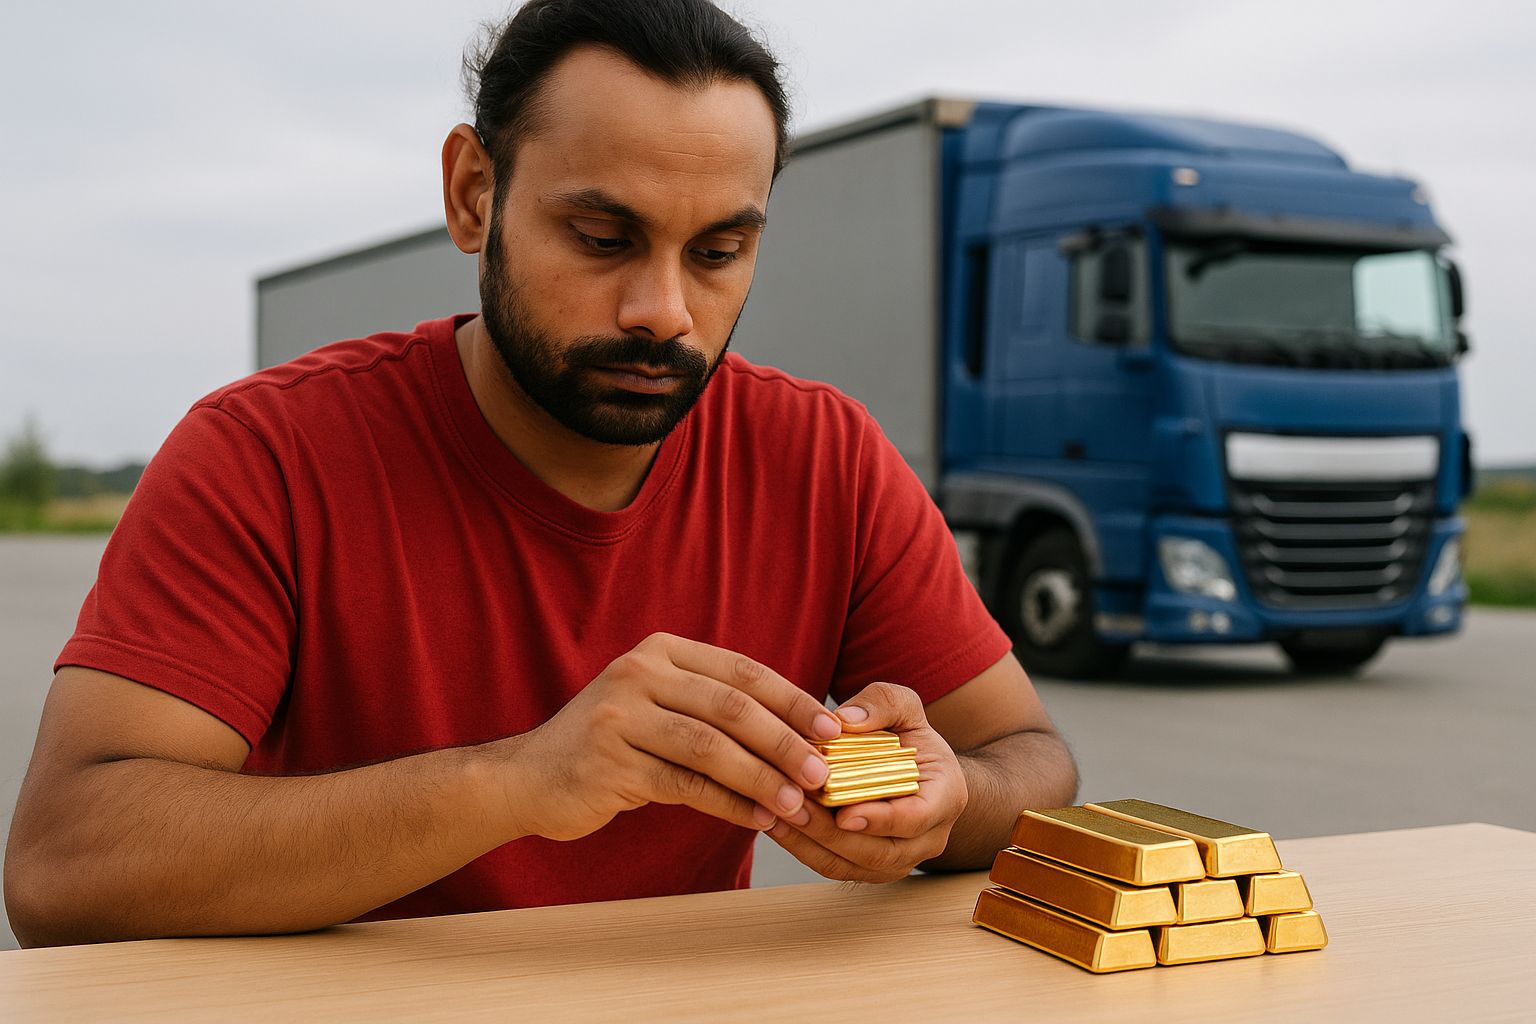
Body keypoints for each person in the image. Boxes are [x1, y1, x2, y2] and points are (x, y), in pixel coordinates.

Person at [4, 0, 1077, 948]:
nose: (662, 310)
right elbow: (61, 870)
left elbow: (1029, 758)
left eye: (716, 252)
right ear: (475, 194)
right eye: (602, 236)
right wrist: (519, 781)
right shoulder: (266, 454)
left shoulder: (823, 457)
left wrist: (950, 799)